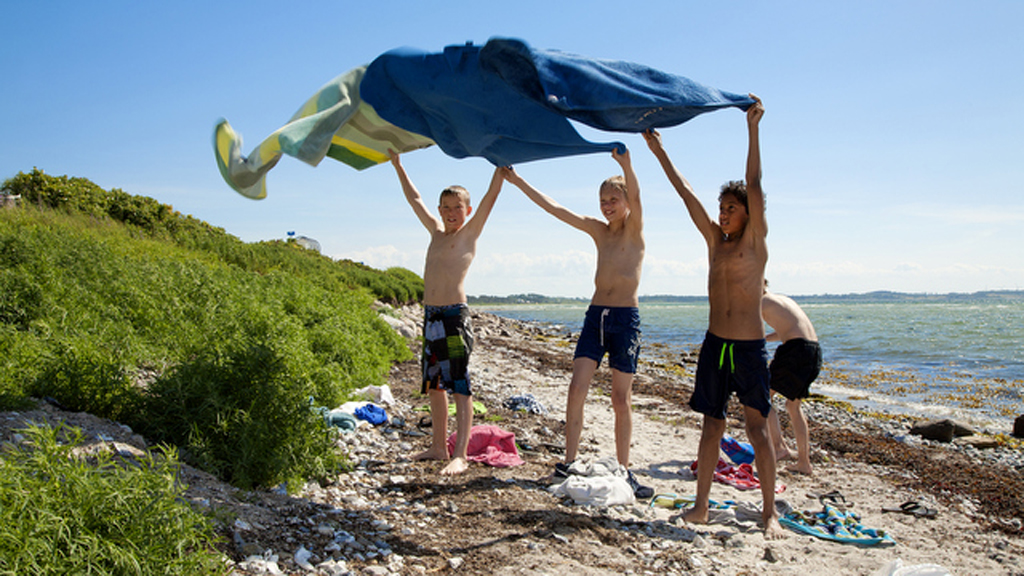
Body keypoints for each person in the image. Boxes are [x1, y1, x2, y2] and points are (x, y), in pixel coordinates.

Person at [644, 94, 783, 539]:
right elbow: (684, 194)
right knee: (710, 427)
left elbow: (755, 182)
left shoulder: (755, 242)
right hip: (715, 345)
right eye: (721, 209)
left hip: (747, 348)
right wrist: (659, 151)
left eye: (731, 209)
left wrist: (753, 129)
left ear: (749, 214)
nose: (723, 215)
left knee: (758, 432)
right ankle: (701, 506)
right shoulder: (714, 241)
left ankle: (769, 513)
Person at [500, 147, 654, 499]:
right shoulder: (599, 232)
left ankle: (624, 470)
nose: (606, 205)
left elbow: (639, 194)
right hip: (595, 317)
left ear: (627, 202)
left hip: (625, 320)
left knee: (620, 398)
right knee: (576, 388)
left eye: (613, 199)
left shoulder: (635, 232)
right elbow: (556, 209)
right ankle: (568, 461)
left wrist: (626, 164)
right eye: (602, 199)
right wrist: (518, 180)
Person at [389, 151, 504, 475]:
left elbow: (490, 199)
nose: (452, 213)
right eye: (446, 207)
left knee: (459, 385)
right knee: (435, 384)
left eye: (458, 207)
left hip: (454, 319)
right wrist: (399, 165)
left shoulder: (469, 234)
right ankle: (439, 445)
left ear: (467, 211)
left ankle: (461, 455)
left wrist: (500, 169)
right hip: (431, 319)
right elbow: (414, 199)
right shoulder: (436, 233)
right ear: (440, 210)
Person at [762, 281, 821, 475]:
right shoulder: (782, 299)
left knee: (764, 397)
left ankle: (779, 447)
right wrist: (764, 339)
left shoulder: (761, 303)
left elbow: (745, 331)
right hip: (813, 350)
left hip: (795, 351)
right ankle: (804, 463)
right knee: (793, 406)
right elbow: (786, 331)